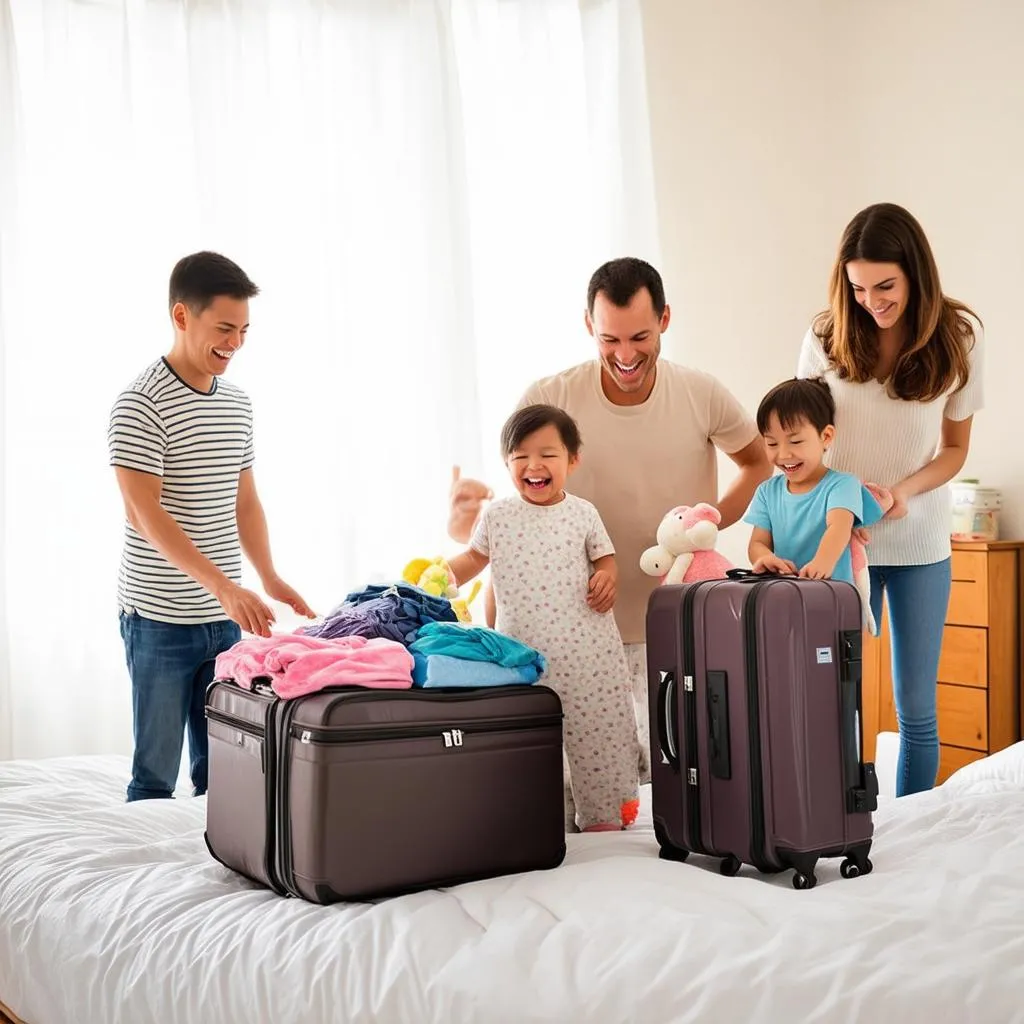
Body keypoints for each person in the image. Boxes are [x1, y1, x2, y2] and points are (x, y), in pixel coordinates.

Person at [448, 258, 770, 779]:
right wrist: (468, 528)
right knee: (566, 780)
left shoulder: (700, 392)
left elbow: (757, 462)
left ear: (665, 319)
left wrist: (700, 529)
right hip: (567, 627)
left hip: (670, 619)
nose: (625, 356)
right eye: (609, 339)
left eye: (640, 337)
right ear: (588, 326)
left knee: (668, 771)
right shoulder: (550, 396)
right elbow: (516, 505)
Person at [108, 251, 314, 802]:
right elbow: (144, 513)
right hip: (158, 619)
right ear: (182, 316)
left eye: (244, 330)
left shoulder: (238, 405)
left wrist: (267, 576)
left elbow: (245, 500)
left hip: (223, 621)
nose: (236, 343)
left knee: (224, 773)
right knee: (154, 774)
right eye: (224, 328)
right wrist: (223, 585)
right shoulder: (139, 403)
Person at [796, 202, 984, 796]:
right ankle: (835, 821)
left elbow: (954, 449)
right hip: (840, 540)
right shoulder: (825, 335)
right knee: (831, 704)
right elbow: (806, 445)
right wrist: (840, 508)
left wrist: (901, 493)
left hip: (921, 542)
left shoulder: (959, 337)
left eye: (886, 286)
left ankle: (915, 832)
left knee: (917, 709)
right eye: (857, 287)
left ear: (915, 275)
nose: (872, 301)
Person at [446, 404, 640, 832]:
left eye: (547, 454)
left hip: (587, 652)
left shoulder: (583, 513)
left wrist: (607, 579)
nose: (534, 465)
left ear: (573, 460)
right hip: (522, 654)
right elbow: (473, 558)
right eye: (520, 456)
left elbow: (606, 561)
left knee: (596, 733)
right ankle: (529, 818)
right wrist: (441, 575)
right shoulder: (497, 516)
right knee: (526, 738)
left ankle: (603, 815)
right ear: (507, 463)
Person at [745, 376, 885, 582]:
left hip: (832, 597)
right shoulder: (767, 492)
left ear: (826, 436)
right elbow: (757, 543)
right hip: (784, 596)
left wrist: (822, 563)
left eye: (796, 441)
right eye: (772, 444)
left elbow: (838, 527)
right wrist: (766, 558)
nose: (783, 454)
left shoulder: (842, 485)